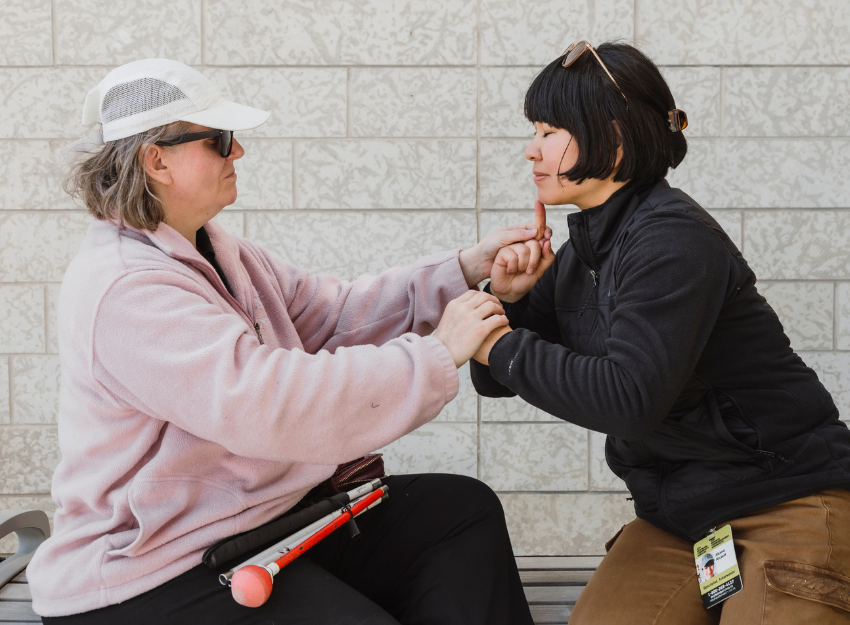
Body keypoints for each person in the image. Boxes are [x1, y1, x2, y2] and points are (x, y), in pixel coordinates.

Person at [27, 59, 545, 624]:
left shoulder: (217, 249)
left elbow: (335, 315)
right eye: (221, 141)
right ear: (158, 160)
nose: (238, 154)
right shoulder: (126, 287)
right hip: (155, 568)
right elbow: (269, 403)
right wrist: (438, 353)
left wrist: (466, 269)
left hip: (258, 523)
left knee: (459, 513)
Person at [470, 41, 850, 624]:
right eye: (535, 131)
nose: (531, 150)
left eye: (549, 131)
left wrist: (494, 339)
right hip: (683, 520)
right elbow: (496, 380)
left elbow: (628, 400)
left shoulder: (671, 239)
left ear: (614, 139)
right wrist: (509, 303)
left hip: (788, 499)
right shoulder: (582, 252)